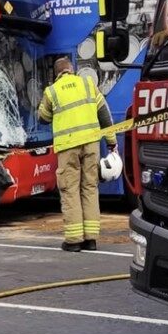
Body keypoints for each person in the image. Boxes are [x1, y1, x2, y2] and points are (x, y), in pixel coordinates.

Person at [38, 57, 117, 252]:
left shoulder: (52, 92)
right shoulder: (88, 84)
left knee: (70, 190)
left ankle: (73, 240)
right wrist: (112, 143)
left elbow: (43, 118)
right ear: (71, 69)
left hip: (68, 148)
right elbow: (104, 115)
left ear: (56, 74)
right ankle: (91, 239)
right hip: (91, 145)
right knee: (90, 187)